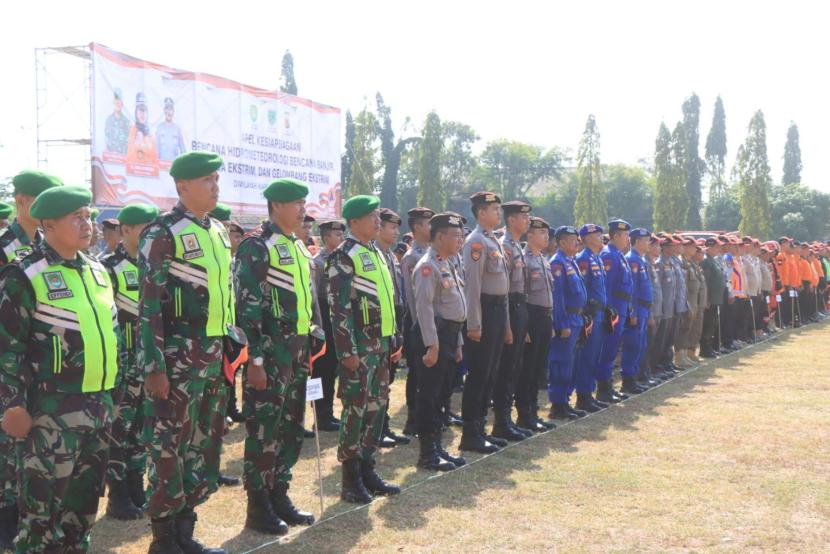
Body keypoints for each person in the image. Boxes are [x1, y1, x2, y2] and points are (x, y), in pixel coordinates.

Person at [0, 186, 120, 552]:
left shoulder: (98, 271)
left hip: (98, 410)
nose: (88, 224)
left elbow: (112, 338)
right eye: (76, 218)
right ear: (48, 225)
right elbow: (7, 348)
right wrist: (12, 405)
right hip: (49, 417)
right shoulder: (24, 275)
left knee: (81, 514)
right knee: (41, 519)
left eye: (88, 216)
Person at [137, 151, 233, 554]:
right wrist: (155, 366)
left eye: (216, 178)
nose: (215, 186)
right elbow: (148, 306)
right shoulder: (162, 232)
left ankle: (184, 534)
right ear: (183, 186)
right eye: (207, 180)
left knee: (201, 445)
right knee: (168, 448)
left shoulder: (217, 231)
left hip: (213, 358)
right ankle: (163, 540)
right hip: (176, 361)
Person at [235, 178, 319, 534]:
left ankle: (279, 492)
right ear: (276, 206)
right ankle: (258, 506)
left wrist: (312, 336)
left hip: (296, 355)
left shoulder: (296, 246)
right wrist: (254, 360)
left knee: (290, 427)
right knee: (263, 431)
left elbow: (304, 300)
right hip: (268, 357)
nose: (302, 209)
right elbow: (247, 308)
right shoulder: (257, 246)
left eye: (303, 202)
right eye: (296, 203)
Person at [0, 169, 62, 548]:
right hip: (6, 355)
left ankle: (26, 513)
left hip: (37, 361)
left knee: (30, 444)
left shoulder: (48, 243)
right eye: (39, 201)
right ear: (22, 200)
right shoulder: (5, 244)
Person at [326, 195, 401, 504]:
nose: (378, 222)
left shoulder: (376, 253)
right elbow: (339, 309)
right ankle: (350, 478)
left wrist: (394, 337)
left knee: (376, 409)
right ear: (354, 221)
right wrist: (347, 352)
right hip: (359, 349)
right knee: (356, 412)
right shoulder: (344, 255)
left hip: (380, 345)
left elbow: (386, 300)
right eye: (372, 216)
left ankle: (368, 468)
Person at [101, 203, 159, 521]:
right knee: (117, 432)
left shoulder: (154, 266)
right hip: (121, 370)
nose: (150, 235)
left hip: (147, 367)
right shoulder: (108, 268)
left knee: (141, 432)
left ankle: (137, 488)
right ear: (125, 231)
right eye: (143, 228)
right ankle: (118, 496)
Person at [411, 212, 468, 471]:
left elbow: (456, 305)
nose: (460, 239)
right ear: (440, 236)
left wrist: (456, 342)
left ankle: (437, 446)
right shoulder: (428, 265)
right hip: (433, 336)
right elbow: (424, 308)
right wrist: (432, 345)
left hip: (449, 335)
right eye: (455, 235)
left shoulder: (449, 262)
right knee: (430, 395)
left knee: (443, 395)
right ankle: (427, 452)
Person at [460, 192, 510, 454]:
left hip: (498, 310)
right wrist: (474, 324)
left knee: (490, 373)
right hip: (485, 312)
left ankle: (481, 428)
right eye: (493, 209)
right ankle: (470, 432)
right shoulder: (476, 242)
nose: (498, 213)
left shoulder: (494, 240)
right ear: (480, 213)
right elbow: (473, 286)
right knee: (478, 374)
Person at [492, 200, 533, 441]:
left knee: (515, 366)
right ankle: (500, 421)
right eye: (523, 217)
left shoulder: (516, 245)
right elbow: (504, 288)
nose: (528, 221)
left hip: (520, 307)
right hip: (509, 307)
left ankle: (507, 419)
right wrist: (507, 323)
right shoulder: (505, 245)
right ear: (511, 220)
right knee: (506, 367)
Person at [516, 217, 556, 432]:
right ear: (529, 235)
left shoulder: (543, 259)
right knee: (528, 369)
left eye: (547, 233)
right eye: (542, 233)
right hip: (531, 317)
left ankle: (532, 412)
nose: (546, 237)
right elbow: (522, 295)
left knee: (539, 368)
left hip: (545, 317)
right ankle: (524, 414)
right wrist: (525, 327)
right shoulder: (525, 259)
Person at [399, 207, 436, 436]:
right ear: (417, 228)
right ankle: (412, 418)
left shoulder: (432, 254)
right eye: (429, 223)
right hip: (416, 324)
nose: (432, 227)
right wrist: (419, 328)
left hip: (430, 324)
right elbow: (413, 300)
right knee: (416, 374)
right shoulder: (413, 257)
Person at [375, 208, 410, 447]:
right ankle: (376, 429)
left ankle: (383, 425)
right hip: (379, 324)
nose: (396, 231)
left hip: (395, 319)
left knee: (388, 379)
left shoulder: (390, 256)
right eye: (392, 226)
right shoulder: (374, 254)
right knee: (378, 381)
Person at [547, 226, 588, 419]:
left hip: (577, 318)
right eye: (572, 240)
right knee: (561, 362)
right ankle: (557, 404)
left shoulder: (571, 261)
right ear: (561, 243)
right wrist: (562, 324)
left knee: (571, 362)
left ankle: (565, 401)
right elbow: (558, 297)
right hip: (567, 319)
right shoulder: (558, 263)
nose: (576, 243)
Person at [311, 219, 346, 431]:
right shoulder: (318, 262)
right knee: (322, 370)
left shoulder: (340, 259)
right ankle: (320, 416)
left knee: (333, 367)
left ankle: (329, 414)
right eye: (337, 235)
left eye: (342, 234)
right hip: (323, 314)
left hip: (335, 316)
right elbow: (315, 295)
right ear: (325, 238)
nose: (341, 238)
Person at [595, 220, 634, 401]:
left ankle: (608, 386)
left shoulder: (618, 254)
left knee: (613, 348)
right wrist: (609, 310)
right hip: (614, 308)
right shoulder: (609, 255)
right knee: (608, 348)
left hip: (622, 306)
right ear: (616, 236)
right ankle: (603, 388)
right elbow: (607, 286)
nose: (628, 238)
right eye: (625, 235)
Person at [573, 223, 611, 410]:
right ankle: (583, 396)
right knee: (587, 356)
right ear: (586, 239)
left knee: (595, 354)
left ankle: (589, 393)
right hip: (591, 315)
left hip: (600, 313)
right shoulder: (584, 259)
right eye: (596, 235)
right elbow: (583, 289)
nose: (601, 237)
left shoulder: (596, 258)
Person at [620, 228, 653, 394]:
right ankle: (628, 380)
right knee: (632, 345)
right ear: (637, 241)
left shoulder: (639, 259)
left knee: (640, 345)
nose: (649, 243)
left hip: (643, 308)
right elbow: (630, 291)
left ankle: (635, 377)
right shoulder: (632, 260)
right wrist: (632, 313)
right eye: (646, 240)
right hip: (637, 309)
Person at [699, 237, 726, 358]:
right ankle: (705, 348)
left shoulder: (713, 260)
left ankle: (709, 346)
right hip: (711, 299)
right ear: (710, 246)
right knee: (708, 324)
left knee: (712, 324)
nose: (719, 249)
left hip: (716, 298)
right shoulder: (706, 261)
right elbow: (706, 282)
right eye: (717, 247)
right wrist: (707, 299)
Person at [127, 92, 159, 167]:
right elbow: (128, 157)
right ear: (136, 112)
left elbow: (155, 160)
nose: (142, 114)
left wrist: (141, 145)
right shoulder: (131, 131)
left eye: (144, 110)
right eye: (140, 110)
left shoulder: (152, 135)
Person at [157, 97, 187, 162]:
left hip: (174, 165)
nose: (169, 112)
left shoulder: (177, 129)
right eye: (167, 109)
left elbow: (183, 150)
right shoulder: (159, 127)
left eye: (171, 109)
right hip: (162, 165)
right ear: (164, 111)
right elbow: (157, 150)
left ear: (173, 111)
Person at [105, 88, 131, 154]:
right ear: (113, 102)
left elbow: (129, 143)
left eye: (120, 101)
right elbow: (106, 140)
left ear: (122, 104)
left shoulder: (126, 122)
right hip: (110, 159)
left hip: (123, 158)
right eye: (116, 101)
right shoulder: (108, 120)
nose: (118, 103)